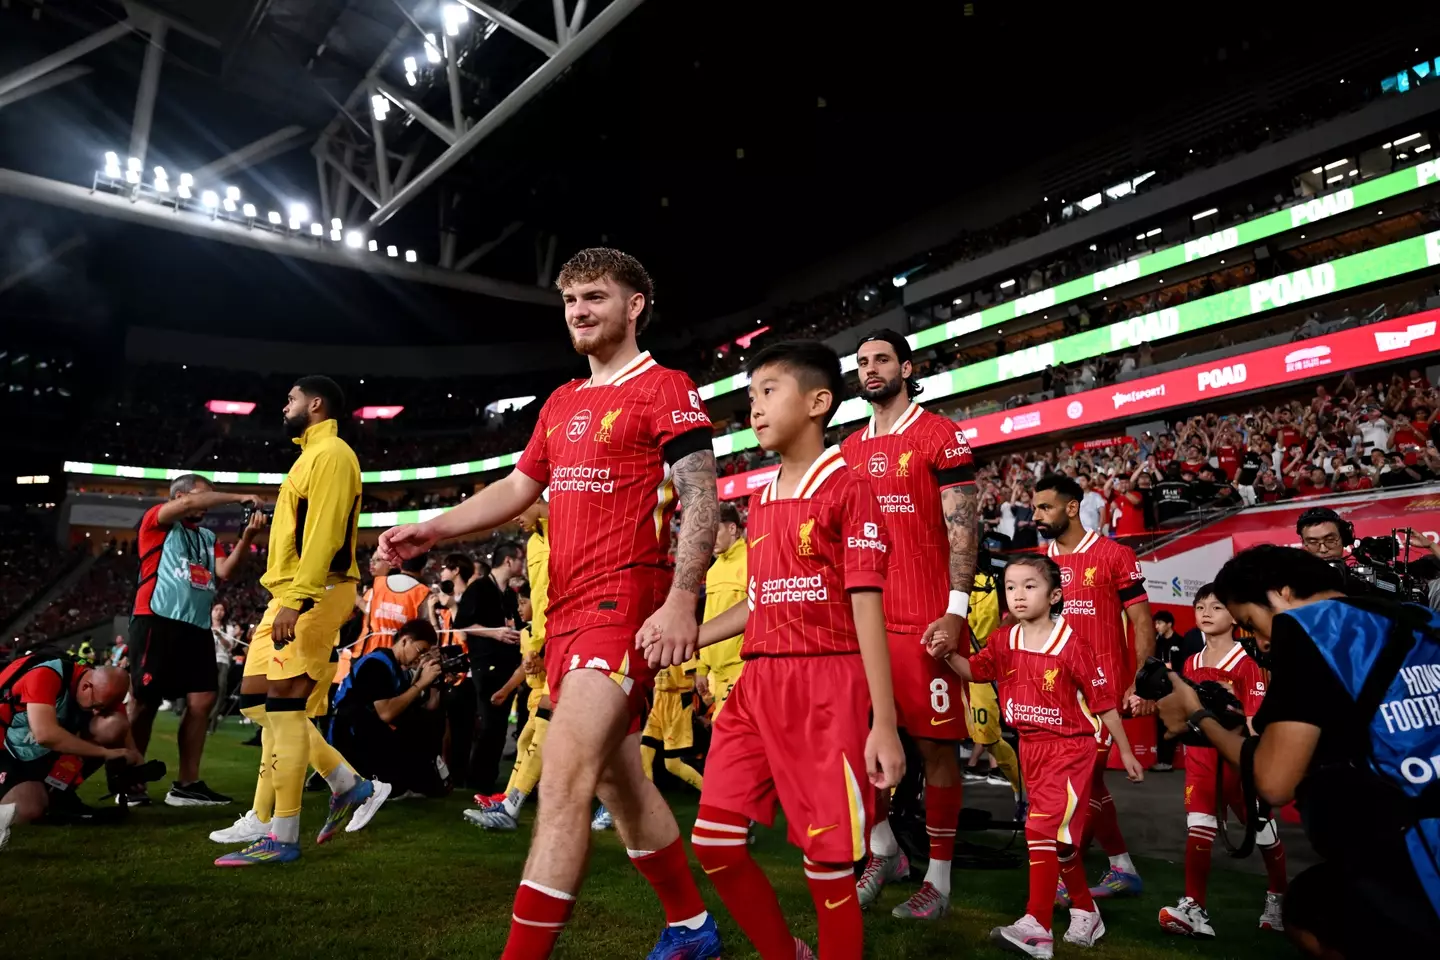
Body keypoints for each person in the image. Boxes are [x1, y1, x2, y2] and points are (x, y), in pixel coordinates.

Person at [377, 248, 724, 959]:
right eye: (570, 300)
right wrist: (430, 527)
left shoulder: (665, 386)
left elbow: (701, 494)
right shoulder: (562, 403)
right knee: (621, 785)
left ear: (634, 306)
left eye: (594, 296)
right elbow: (516, 489)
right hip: (562, 615)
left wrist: (683, 598)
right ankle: (692, 928)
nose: (578, 311)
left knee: (562, 782)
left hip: (622, 605)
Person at [658, 339, 904, 960]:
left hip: (829, 689)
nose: (755, 408)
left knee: (827, 868)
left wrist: (884, 724)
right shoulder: (763, 498)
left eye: (769, 392)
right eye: (751, 396)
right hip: (757, 686)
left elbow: (867, 608)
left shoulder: (850, 488)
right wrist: (686, 637)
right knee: (714, 842)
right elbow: (764, 599)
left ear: (819, 402)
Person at [1156, 545, 1440, 957]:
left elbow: (1273, 783)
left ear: (1283, 592)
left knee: (1308, 909)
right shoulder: (1417, 619)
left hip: (1414, 862)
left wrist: (1197, 716)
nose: (1259, 641)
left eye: (1250, 622)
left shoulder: (1308, 627)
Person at [928, 554, 1143, 958]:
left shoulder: (1073, 644)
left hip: (1070, 750)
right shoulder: (1003, 638)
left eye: (1029, 586)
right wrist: (946, 655)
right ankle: (1084, 909)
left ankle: (1037, 926)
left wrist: (1127, 752)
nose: (1018, 595)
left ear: (1055, 595)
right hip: (1031, 748)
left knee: (1039, 831)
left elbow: (1104, 703)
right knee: (1059, 844)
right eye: (1010, 587)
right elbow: (976, 671)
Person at [213, 375, 387, 866]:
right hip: (290, 594)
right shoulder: (308, 457)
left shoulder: (331, 455)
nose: (283, 405)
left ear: (315, 404)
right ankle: (347, 784)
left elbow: (327, 534)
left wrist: (299, 597)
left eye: (290, 398)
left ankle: (282, 835)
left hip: (314, 591)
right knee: (254, 701)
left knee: (286, 711)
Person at [842, 330, 979, 920]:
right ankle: (883, 850)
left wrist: (956, 609)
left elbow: (963, 529)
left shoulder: (939, 435)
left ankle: (940, 884)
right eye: (863, 363)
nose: (871, 370)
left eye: (881, 360)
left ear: (907, 367)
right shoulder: (846, 450)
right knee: (856, 743)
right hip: (861, 624)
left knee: (936, 750)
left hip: (925, 620)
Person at [1032, 473, 1155, 901]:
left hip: (1101, 693)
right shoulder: (1037, 564)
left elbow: (1141, 621)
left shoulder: (1114, 554)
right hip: (1052, 694)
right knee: (1089, 785)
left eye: (1045, 507)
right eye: (1034, 507)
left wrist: (1141, 682)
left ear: (1071, 507)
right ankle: (1122, 867)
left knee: (1082, 782)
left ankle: (1068, 876)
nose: (1037, 515)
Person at [124, 474, 266, 807]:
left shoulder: (207, 536)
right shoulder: (156, 521)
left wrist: (246, 538)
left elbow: (226, 571)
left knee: (202, 701)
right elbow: (189, 504)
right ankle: (130, 780)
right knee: (143, 702)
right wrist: (240, 496)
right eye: (205, 496)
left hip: (196, 627)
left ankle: (187, 784)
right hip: (156, 620)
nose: (208, 503)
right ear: (182, 496)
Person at [1157, 584, 1287, 938]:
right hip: (1199, 760)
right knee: (1198, 824)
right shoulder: (1191, 662)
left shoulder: (1247, 665)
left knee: (1262, 831)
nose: (1207, 613)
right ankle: (1194, 907)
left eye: (1216, 606)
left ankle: (1278, 895)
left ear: (1234, 616)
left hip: (1238, 763)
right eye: (1201, 606)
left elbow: (1255, 723)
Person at [0, 659, 138, 850]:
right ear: (86, 686)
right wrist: (106, 753)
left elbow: (121, 726)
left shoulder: (100, 687)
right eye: (96, 705)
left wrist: (134, 759)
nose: (97, 711)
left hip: (42, 755)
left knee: (112, 725)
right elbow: (45, 735)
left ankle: (58, 793)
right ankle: (39, 795)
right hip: (8, 752)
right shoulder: (46, 675)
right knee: (27, 808)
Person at [328, 619, 446, 797]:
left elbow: (420, 705)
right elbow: (387, 713)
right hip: (350, 737)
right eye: (420, 651)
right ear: (405, 641)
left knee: (427, 720)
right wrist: (421, 683)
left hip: (367, 733)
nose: (420, 657)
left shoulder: (396, 667)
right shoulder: (376, 665)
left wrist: (432, 680)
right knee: (396, 783)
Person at [469, 580, 550, 830]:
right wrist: (506, 690)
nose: (520, 607)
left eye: (524, 602)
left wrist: (541, 665)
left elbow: (556, 661)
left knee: (535, 746)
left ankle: (511, 802)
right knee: (527, 743)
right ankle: (507, 799)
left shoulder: (550, 629)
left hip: (553, 694)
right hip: (538, 697)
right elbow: (524, 668)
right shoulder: (527, 633)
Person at [462, 541, 526, 795]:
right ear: (508, 561)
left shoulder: (509, 594)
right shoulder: (478, 588)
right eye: (520, 559)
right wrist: (495, 634)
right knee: (489, 724)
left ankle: (487, 778)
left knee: (498, 727)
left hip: (508, 666)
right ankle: (477, 780)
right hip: (485, 664)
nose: (523, 564)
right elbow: (463, 624)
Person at [959, 565, 1024, 803]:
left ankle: (1023, 796)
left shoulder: (986, 580)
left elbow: (990, 633)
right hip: (949, 666)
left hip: (977, 668)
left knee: (989, 736)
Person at [697, 501, 747, 717]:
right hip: (715, 675)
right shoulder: (714, 570)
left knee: (725, 736)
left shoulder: (753, 560)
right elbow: (710, 618)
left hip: (742, 669)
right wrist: (702, 668)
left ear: (732, 528)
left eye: (715, 531)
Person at [1150, 611, 1180, 773]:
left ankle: (1167, 761)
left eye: (1160, 623)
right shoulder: (1157, 642)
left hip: (1175, 691)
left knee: (1172, 724)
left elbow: (1185, 667)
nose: (1157, 626)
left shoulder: (1180, 642)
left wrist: (1172, 670)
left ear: (1169, 624)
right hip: (1160, 690)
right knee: (1161, 725)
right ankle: (1162, 760)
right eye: (1155, 623)